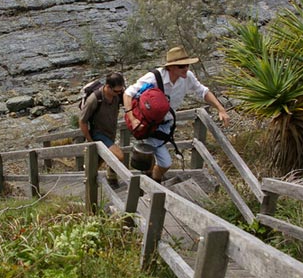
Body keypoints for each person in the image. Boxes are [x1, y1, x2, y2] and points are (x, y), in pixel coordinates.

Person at [123, 46, 230, 183]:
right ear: (171, 67)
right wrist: (131, 118)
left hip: (165, 126)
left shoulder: (187, 77)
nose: (186, 69)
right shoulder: (154, 77)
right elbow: (128, 93)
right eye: (181, 66)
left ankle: (152, 183)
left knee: (158, 161)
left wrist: (221, 109)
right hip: (147, 123)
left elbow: (203, 91)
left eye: (187, 65)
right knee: (156, 162)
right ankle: (151, 186)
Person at [79, 72, 126, 185]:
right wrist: (90, 141)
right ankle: (110, 177)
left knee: (97, 161)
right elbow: (82, 121)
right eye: (116, 91)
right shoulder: (94, 99)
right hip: (98, 134)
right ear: (108, 87)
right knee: (119, 156)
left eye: (121, 90)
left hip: (110, 133)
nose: (119, 93)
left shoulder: (118, 95)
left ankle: (91, 180)